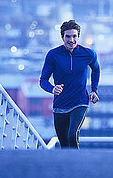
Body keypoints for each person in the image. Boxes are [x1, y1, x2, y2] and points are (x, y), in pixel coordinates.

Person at [40, 19, 100, 149]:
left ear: (78, 36)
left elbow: (96, 69)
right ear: (62, 37)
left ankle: (77, 165)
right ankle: (68, 167)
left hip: (80, 102)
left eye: (74, 36)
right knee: (64, 143)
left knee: (72, 135)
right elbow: (43, 80)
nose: (71, 40)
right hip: (60, 104)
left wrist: (94, 90)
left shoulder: (88, 54)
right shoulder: (53, 55)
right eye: (68, 36)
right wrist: (52, 89)